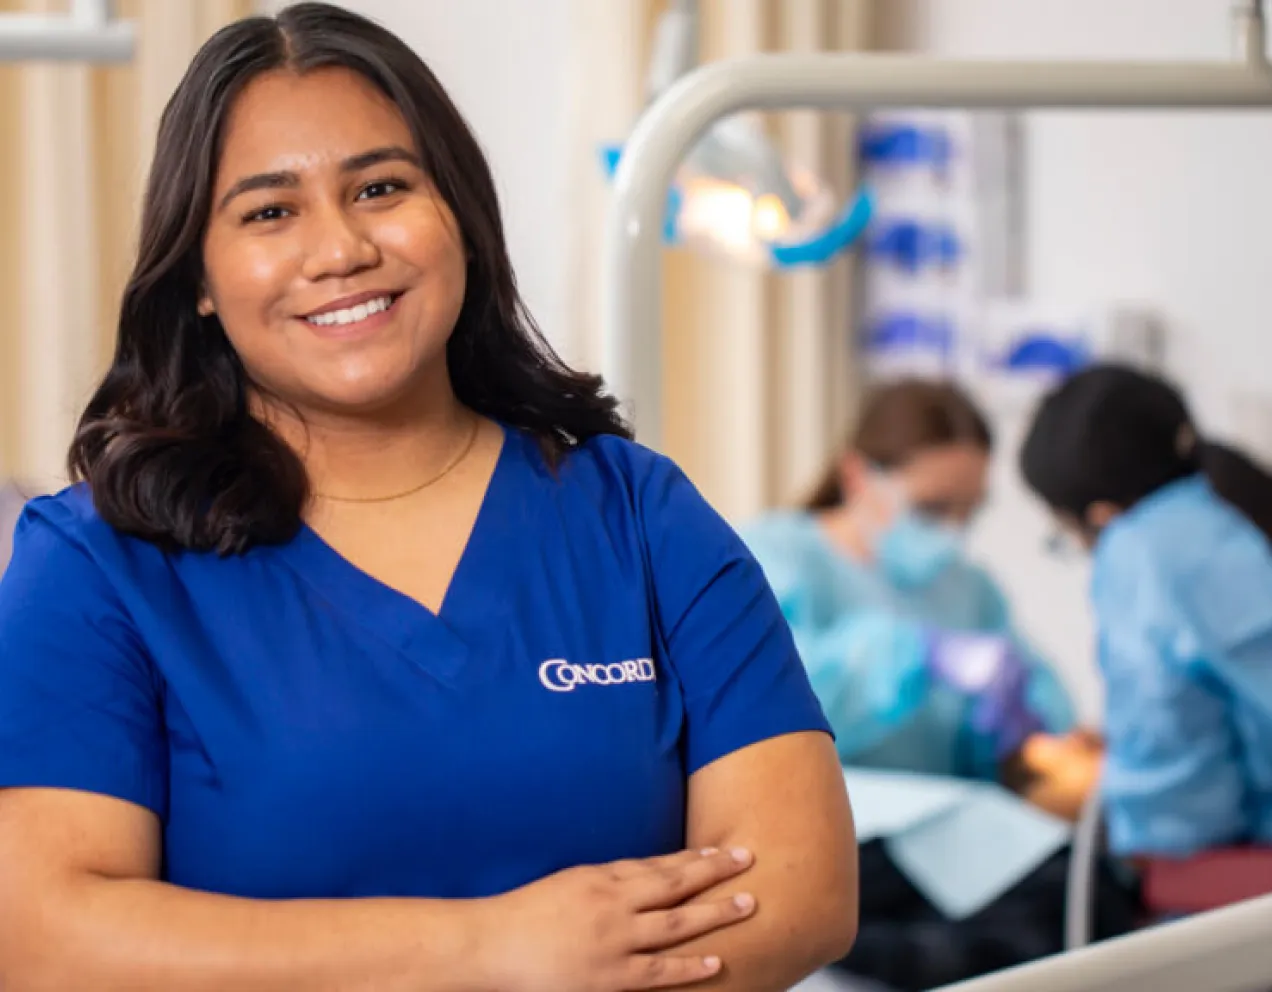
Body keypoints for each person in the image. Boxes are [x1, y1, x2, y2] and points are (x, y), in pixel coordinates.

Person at [0, 5, 857, 990]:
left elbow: (797, 889)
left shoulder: (638, 515)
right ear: (198, 275)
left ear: (459, 213)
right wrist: (488, 949)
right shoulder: (99, 564)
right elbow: (42, 934)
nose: (340, 249)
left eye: (380, 187)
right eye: (270, 210)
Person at [741, 379, 1132, 992]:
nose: (952, 531)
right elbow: (751, 700)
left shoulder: (969, 590)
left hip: (938, 846)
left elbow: (1035, 725)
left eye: (969, 511)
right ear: (858, 476)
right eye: (932, 507)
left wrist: (1026, 732)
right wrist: (909, 653)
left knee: (1084, 894)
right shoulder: (774, 557)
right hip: (827, 830)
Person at [1022, 363, 1272, 859]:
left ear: (1100, 516)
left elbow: (1170, 786)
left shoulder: (1139, 548)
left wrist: (1099, 796)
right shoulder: (1231, 508)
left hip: (1229, 874)